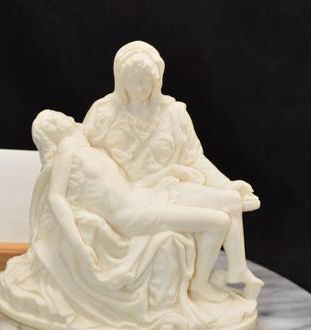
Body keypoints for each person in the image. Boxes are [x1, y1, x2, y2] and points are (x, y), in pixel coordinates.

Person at [83, 41, 262, 300]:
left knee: (232, 199)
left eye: (147, 81)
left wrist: (226, 183)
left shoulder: (173, 114)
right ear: (121, 80)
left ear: (157, 79)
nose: (141, 89)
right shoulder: (104, 113)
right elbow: (84, 158)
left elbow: (194, 157)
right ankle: (204, 281)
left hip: (170, 188)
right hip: (134, 197)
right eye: (134, 82)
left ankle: (236, 271)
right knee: (219, 219)